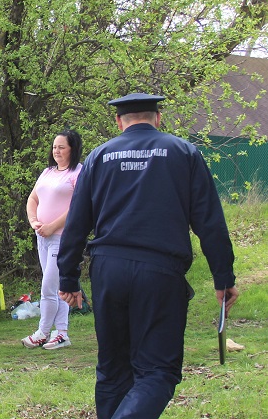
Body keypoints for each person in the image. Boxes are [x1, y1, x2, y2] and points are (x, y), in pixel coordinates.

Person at [57, 93, 238, 419]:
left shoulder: (99, 156)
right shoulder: (184, 152)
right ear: (158, 118)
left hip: (108, 270)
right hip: (160, 271)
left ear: (119, 122)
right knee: (158, 371)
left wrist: (68, 277)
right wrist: (223, 277)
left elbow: (76, 223)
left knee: (112, 371)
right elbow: (209, 221)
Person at [23, 129, 83, 350]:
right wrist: (34, 222)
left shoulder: (78, 173)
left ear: (72, 149)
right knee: (58, 289)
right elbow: (33, 198)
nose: (56, 151)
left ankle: (43, 332)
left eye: (62, 147)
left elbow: (78, 207)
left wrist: (52, 226)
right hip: (43, 238)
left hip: (62, 239)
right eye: (54, 147)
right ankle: (62, 333)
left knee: (48, 287)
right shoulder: (47, 172)